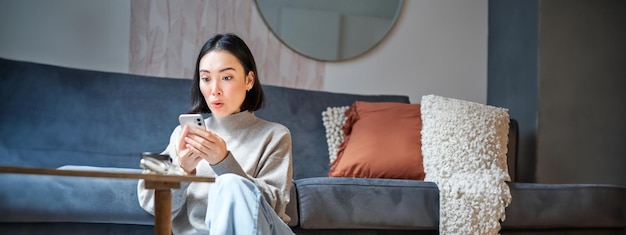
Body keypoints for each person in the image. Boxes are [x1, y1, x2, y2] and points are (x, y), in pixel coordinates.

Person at [137, 33, 294, 235]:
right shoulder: (182, 134)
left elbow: (275, 204)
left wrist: (224, 162)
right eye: (206, 78)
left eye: (226, 77)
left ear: (249, 80)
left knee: (230, 182)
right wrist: (183, 171)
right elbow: (149, 202)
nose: (214, 90)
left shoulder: (275, 135)